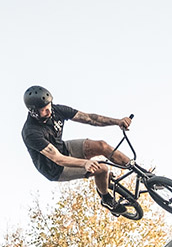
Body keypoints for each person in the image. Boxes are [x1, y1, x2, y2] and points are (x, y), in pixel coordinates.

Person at [21, 85, 135, 216]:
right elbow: (58, 158)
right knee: (102, 168)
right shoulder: (31, 132)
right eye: (44, 110)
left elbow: (90, 118)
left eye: (49, 106)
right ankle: (106, 199)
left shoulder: (56, 110)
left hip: (64, 148)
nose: (49, 111)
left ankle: (139, 172)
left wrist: (117, 121)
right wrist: (85, 163)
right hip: (56, 168)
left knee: (101, 145)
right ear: (34, 112)